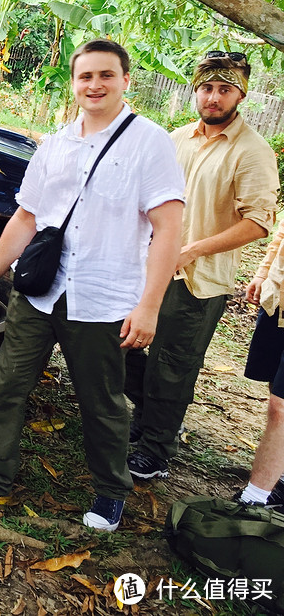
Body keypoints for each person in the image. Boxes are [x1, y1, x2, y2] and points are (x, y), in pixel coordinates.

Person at [0, 38, 185, 533]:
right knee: (8, 385)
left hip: (103, 296)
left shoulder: (150, 142)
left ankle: (111, 491)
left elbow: (169, 228)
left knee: (101, 400)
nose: (94, 85)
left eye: (105, 75)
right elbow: (27, 217)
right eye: (85, 77)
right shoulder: (56, 144)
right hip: (42, 291)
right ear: (74, 84)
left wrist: (149, 306)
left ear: (125, 81)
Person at [125, 51, 278, 481]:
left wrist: (191, 250)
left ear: (240, 95)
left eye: (224, 90)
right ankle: (150, 415)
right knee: (120, 342)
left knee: (172, 365)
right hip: (148, 266)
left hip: (199, 281)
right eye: (207, 88)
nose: (213, 97)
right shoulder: (175, 139)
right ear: (196, 90)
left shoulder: (253, 152)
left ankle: (155, 448)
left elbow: (258, 223)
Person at [236, 223, 284, 508]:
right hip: (277, 299)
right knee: (274, 388)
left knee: (280, 407)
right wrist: (263, 273)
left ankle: (254, 499)